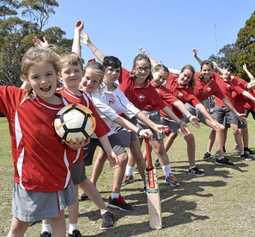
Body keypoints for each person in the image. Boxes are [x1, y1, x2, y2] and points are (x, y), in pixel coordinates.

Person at [38, 21, 117, 237]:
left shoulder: (85, 98)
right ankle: (46, 228)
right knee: (51, 190)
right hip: (52, 154)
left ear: (82, 73)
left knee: (74, 187)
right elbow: (70, 57)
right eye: (67, 72)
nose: (72, 74)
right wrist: (73, 35)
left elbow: (99, 127)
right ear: (59, 75)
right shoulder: (57, 93)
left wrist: (110, 151)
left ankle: (75, 227)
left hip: (75, 154)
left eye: (76, 71)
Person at [1, 46, 85, 237]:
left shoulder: (70, 109)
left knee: (58, 220)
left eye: (48, 74)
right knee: (19, 226)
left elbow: (75, 148)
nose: (44, 81)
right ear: (26, 79)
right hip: (31, 181)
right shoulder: (17, 99)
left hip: (60, 178)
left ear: (57, 75)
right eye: (36, 77)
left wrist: (76, 145)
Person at [79, 58, 155, 211]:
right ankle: (85, 190)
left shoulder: (115, 89)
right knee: (77, 168)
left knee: (122, 157)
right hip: (85, 134)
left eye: (117, 71)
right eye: (110, 70)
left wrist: (148, 127)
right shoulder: (92, 91)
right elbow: (115, 116)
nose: (114, 73)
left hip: (106, 131)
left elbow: (127, 109)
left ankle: (115, 196)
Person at [150, 63, 205, 175]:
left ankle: (192, 167)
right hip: (160, 114)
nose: (185, 78)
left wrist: (210, 120)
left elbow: (196, 104)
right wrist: (147, 55)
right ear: (179, 73)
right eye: (184, 75)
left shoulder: (188, 91)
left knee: (189, 137)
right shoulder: (169, 77)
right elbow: (158, 67)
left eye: (188, 78)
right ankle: (148, 163)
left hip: (176, 118)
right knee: (153, 138)